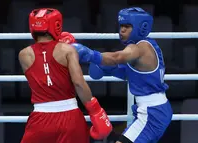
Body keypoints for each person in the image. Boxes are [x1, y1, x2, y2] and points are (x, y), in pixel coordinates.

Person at [71, 7, 173, 143]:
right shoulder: (149, 46)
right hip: (155, 109)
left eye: (127, 26)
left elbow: (117, 57)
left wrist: (91, 55)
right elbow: (132, 75)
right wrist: (108, 69)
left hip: (151, 113)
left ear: (140, 27)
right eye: (121, 26)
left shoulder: (139, 48)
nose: (122, 30)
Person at [18, 8, 112, 143]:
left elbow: (45, 71)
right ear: (56, 25)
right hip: (70, 117)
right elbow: (79, 83)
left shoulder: (24, 55)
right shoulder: (68, 50)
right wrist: (96, 111)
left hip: (40, 119)